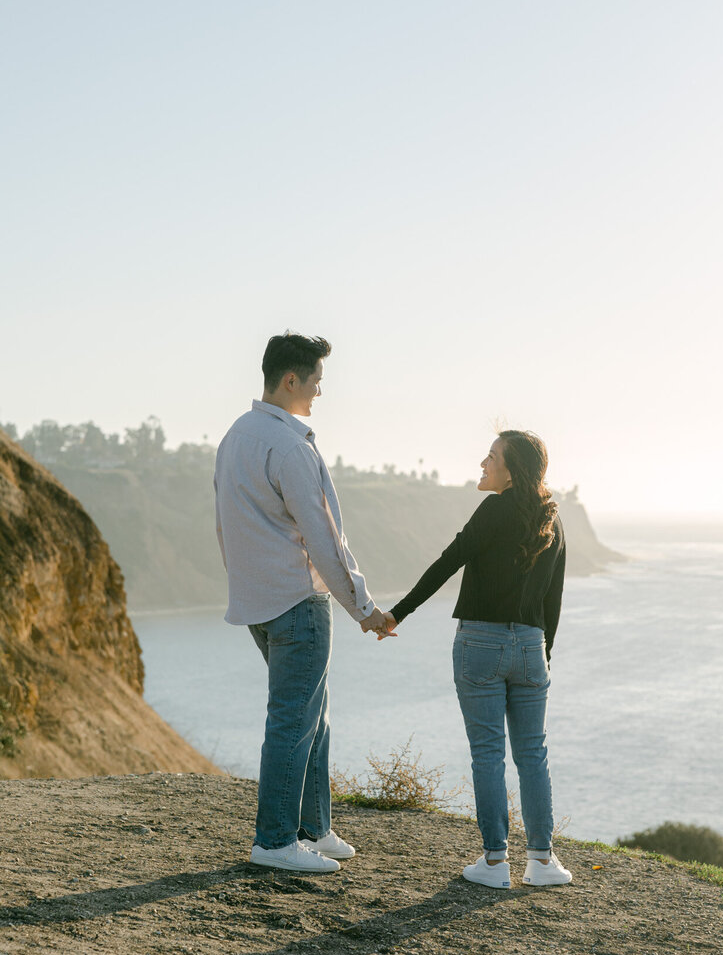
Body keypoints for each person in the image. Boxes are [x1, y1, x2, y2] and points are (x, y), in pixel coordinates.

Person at [214, 331, 393, 874]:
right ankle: (274, 842)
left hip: (258, 604)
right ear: (291, 379)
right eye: (316, 381)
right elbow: (325, 538)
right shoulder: (291, 446)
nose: (319, 392)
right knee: (294, 720)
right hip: (297, 602)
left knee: (314, 717)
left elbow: (227, 526)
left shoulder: (235, 436)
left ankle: (313, 828)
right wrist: (364, 609)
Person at [384, 430, 571, 889]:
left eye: (491, 458)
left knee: (488, 754)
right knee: (533, 755)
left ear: (512, 470)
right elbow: (554, 600)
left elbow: (450, 561)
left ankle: (494, 864)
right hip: (531, 647)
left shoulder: (495, 510)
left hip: (481, 645)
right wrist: (541, 656)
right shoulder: (553, 519)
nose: (483, 464)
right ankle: (543, 862)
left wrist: (396, 614)